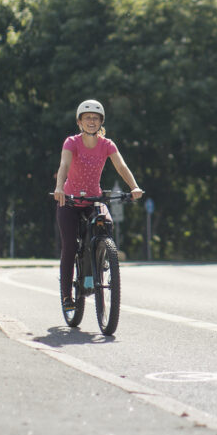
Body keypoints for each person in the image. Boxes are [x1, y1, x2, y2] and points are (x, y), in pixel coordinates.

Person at [53, 99, 142, 311]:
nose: (91, 121)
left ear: (101, 122)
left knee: (106, 223)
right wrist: (59, 188)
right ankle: (67, 296)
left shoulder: (107, 145)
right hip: (70, 201)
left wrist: (134, 186)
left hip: (94, 199)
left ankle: (101, 257)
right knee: (70, 246)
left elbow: (121, 166)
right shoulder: (72, 142)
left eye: (95, 118)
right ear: (79, 122)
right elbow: (64, 164)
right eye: (87, 118)